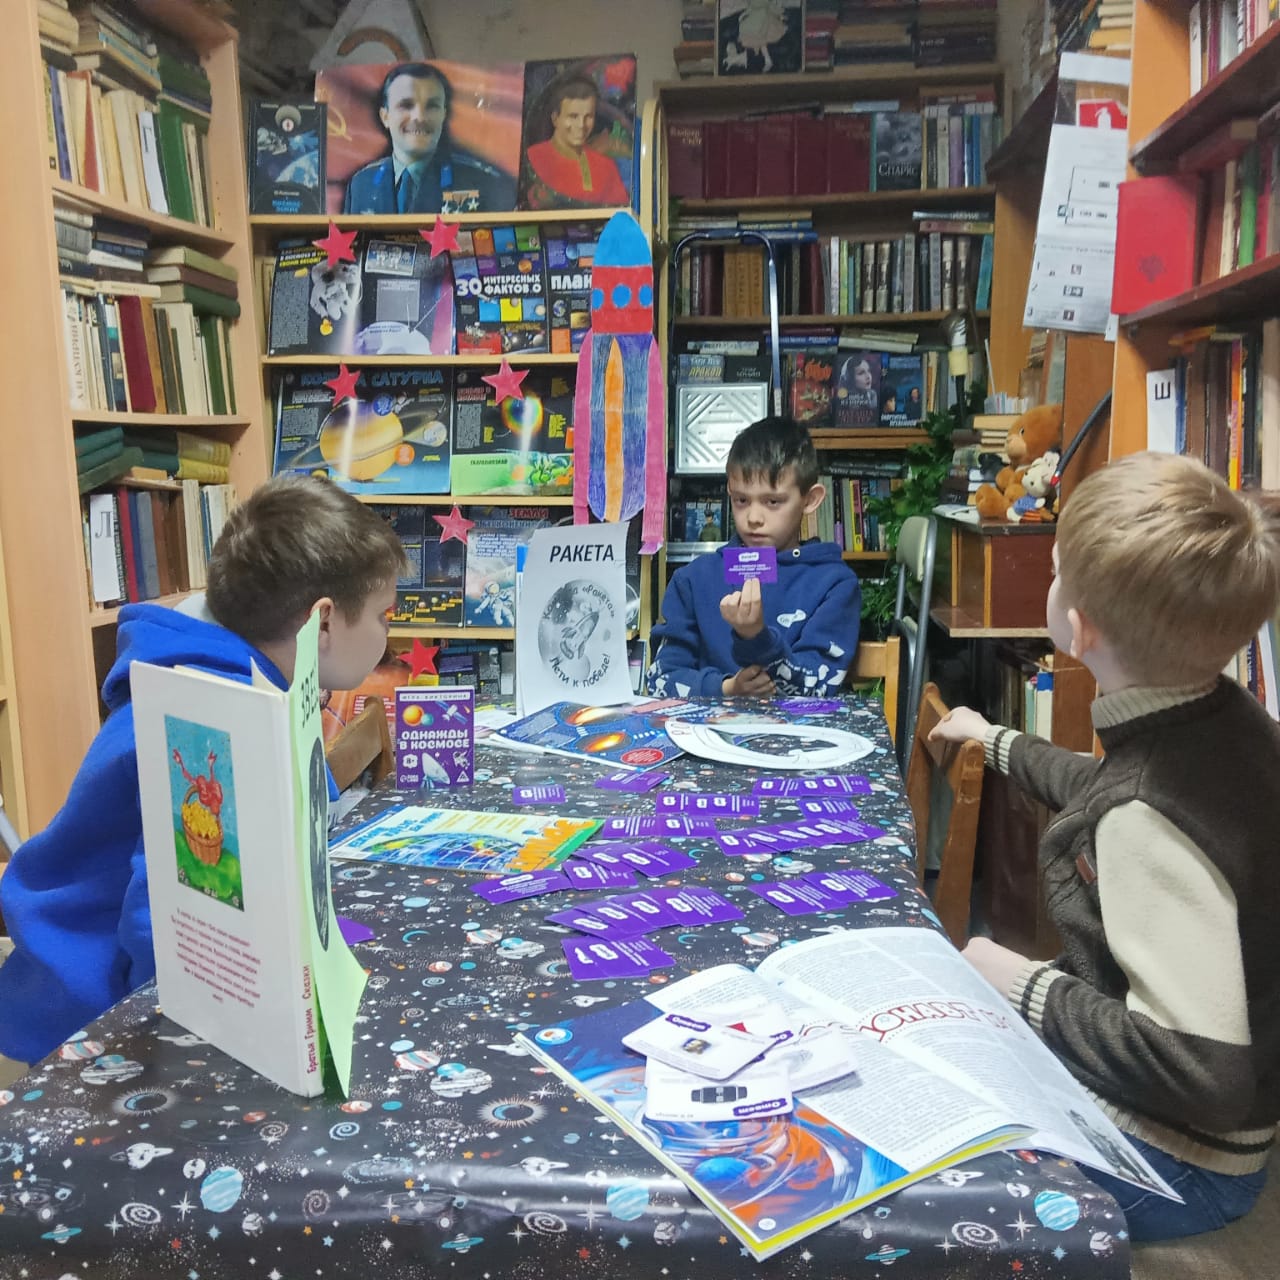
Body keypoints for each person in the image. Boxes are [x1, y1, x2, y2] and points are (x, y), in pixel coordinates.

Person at [929, 452, 1280, 1242]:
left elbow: (1208, 1075)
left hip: (1179, 1157)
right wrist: (998, 740)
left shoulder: (1146, 816)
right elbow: (1110, 782)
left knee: (922, 1171)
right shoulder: (1220, 717)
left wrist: (1021, 983)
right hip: (1206, 1126)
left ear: (1078, 626)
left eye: (1054, 572)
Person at [0, 476, 406, 1072]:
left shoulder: (235, 667)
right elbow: (168, 923)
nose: (390, 634)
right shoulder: (213, 720)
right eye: (384, 615)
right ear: (322, 622)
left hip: (106, 979)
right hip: (87, 1017)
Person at [646, 417, 860, 699]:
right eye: (741, 500)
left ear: (810, 500)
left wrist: (756, 637)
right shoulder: (692, 580)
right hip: (707, 726)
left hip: (795, 728)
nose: (754, 518)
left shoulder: (834, 584)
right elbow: (660, 681)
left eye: (773, 502)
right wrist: (726, 688)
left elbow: (816, 688)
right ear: (729, 492)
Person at [342, 62, 514, 215]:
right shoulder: (361, 184)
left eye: (432, 106)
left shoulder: (480, 181)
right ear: (385, 116)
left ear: (443, 115)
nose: (419, 117)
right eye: (406, 105)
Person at [522, 75, 629, 209]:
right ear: (555, 118)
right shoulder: (531, 158)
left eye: (588, 116)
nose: (581, 125)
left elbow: (620, 216)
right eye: (573, 116)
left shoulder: (606, 167)